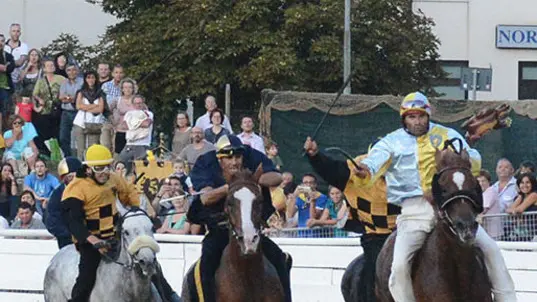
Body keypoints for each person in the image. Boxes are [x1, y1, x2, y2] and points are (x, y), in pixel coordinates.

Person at [349, 92, 516, 302]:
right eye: (412, 117)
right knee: (399, 267)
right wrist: (366, 170)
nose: (417, 121)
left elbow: (473, 160)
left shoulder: (446, 134)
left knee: (492, 251)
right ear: (404, 119)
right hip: (413, 212)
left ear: (428, 116)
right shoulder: (390, 142)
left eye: (421, 116)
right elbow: (374, 162)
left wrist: (465, 148)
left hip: (451, 208)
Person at [61, 144, 180, 302]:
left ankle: (170, 296)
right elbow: (73, 223)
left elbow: (129, 192)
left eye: (107, 167)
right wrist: (94, 240)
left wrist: (138, 210)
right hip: (90, 242)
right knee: (86, 278)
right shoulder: (75, 189)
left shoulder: (113, 178)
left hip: (115, 237)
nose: (105, 172)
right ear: (88, 169)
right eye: (99, 168)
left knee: (151, 263)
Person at [187, 134, 292, 302]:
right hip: (219, 231)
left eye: (237, 156)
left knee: (281, 258)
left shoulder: (252, 156)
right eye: (228, 157)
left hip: (252, 229)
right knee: (204, 266)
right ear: (219, 159)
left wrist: (254, 181)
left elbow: (277, 177)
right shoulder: (205, 163)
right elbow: (206, 197)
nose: (234, 162)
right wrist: (231, 187)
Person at [303, 137, 399, 302]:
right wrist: (315, 156)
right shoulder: (356, 169)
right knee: (374, 276)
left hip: (409, 232)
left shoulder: (411, 170)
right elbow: (332, 169)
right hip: (375, 236)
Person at [46, 157, 82, 249]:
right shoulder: (57, 195)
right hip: (67, 243)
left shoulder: (87, 190)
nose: (74, 180)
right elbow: (52, 222)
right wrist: (71, 234)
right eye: (70, 176)